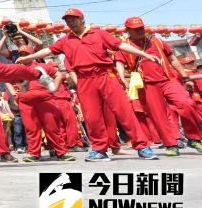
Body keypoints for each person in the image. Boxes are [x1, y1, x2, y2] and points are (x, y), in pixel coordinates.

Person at [17, 8, 160, 162]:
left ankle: (142, 146)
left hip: (105, 76)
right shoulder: (66, 40)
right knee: (92, 117)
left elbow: (120, 45)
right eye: (67, 20)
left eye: (73, 19)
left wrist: (144, 54)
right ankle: (99, 150)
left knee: (124, 111)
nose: (70, 22)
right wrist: (29, 57)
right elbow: (47, 50)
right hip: (84, 80)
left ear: (82, 19)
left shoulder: (98, 33)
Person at [114, 16, 202, 156]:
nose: (140, 31)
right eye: (136, 30)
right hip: (147, 85)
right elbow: (119, 62)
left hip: (168, 80)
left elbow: (172, 58)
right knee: (159, 116)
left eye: (141, 28)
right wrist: (121, 78)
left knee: (187, 103)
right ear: (127, 31)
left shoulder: (156, 40)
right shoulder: (125, 45)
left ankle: (194, 138)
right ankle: (171, 145)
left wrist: (183, 76)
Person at [8, 45, 74, 163]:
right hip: (26, 102)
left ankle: (62, 152)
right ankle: (34, 154)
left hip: (45, 100)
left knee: (52, 127)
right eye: (21, 54)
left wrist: (54, 88)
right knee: (31, 128)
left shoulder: (42, 66)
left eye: (26, 54)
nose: (24, 56)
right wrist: (14, 94)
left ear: (32, 55)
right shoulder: (17, 68)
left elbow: (58, 75)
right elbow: (6, 80)